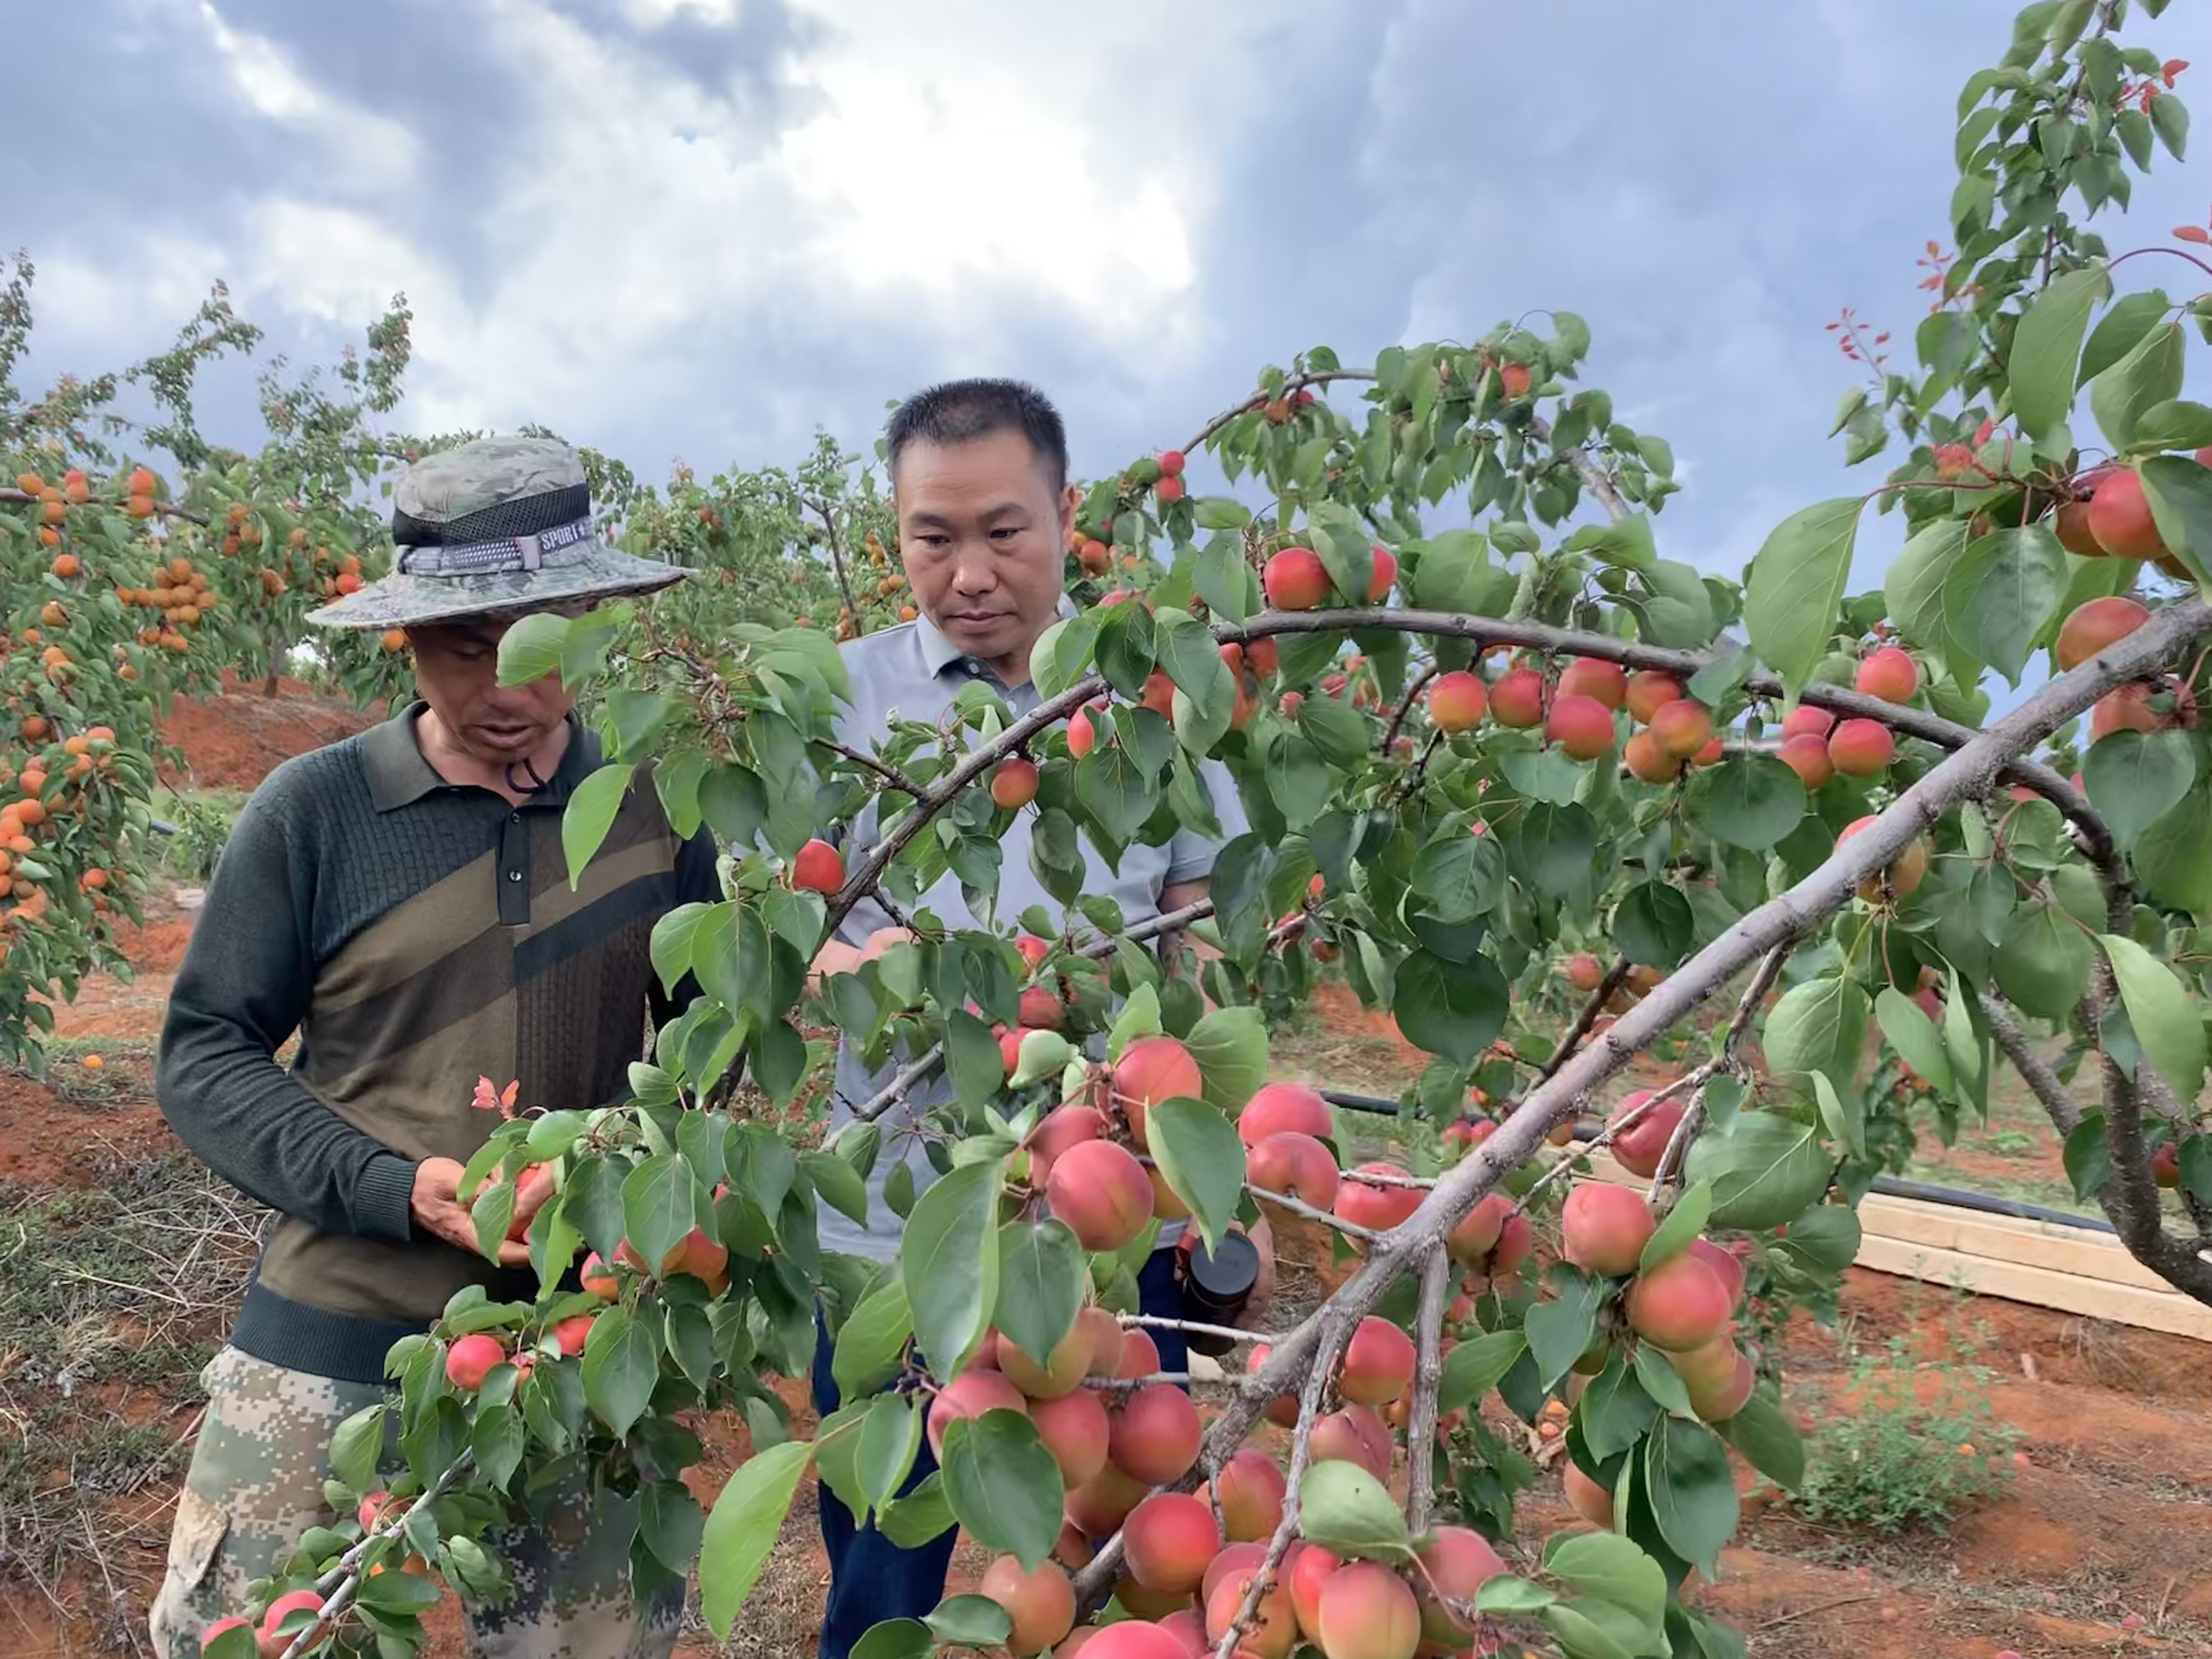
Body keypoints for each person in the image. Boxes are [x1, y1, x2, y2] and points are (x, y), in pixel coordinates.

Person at [149, 437, 714, 1659]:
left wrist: (647, 1190)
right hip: (337, 1333)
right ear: (404, 640)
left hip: (582, 1349)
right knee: (258, 1637)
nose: (508, 683)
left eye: (541, 642)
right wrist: (397, 1189)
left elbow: (707, 1048)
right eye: (468, 644)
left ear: (593, 624)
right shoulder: (316, 812)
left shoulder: (666, 806)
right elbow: (205, 1054)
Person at [806, 380, 1254, 1657]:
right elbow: (790, 944)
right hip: (898, 1230)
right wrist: (873, 965)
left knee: (1128, 1556)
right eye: (931, 538)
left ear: (1066, 514)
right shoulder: (842, 708)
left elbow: (1198, 958)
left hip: (1113, 1214)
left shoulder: (1156, 700)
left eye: (1004, 531)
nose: (968, 574)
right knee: (884, 1585)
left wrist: (1218, 1211)